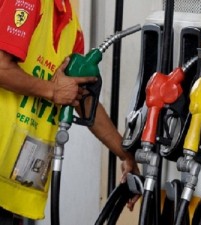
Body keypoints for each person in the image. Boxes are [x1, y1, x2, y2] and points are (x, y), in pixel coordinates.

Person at [0, 0, 139, 223]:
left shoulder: (73, 29)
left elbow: (82, 100)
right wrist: (52, 90)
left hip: (14, 188)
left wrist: (126, 154)